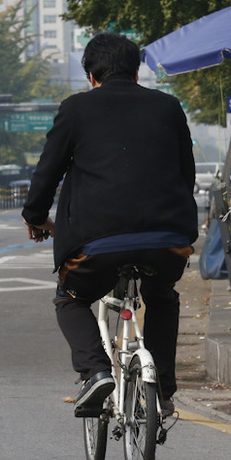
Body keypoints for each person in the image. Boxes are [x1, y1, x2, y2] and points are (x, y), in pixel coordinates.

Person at [21, 32, 198, 418]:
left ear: (91, 76)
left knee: (69, 298)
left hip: (96, 242)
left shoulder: (75, 109)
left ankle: (96, 371)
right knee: (162, 296)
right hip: (168, 240)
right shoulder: (168, 107)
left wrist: (36, 218)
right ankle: (163, 392)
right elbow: (187, 175)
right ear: (137, 73)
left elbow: (47, 173)